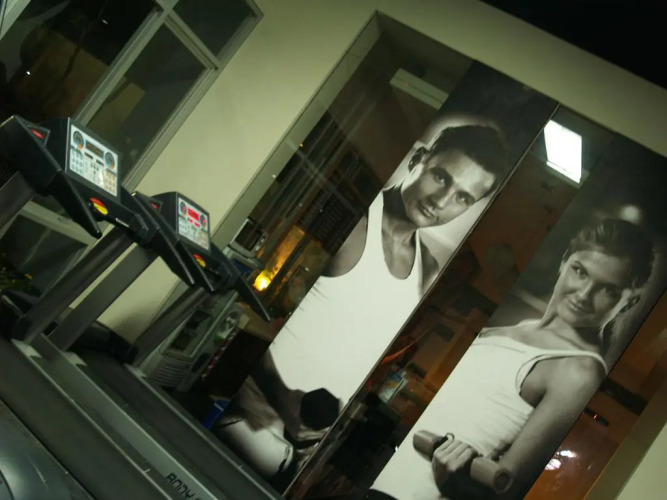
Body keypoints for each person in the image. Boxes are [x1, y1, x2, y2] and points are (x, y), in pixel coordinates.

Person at [214, 123, 509, 487]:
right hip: (252, 414)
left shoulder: (427, 270)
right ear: (419, 159)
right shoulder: (356, 227)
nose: (442, 201)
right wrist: (282, 396)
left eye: (463, 197)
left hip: (310, 444)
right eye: (441, 177)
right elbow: (265, 315)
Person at [370, 218, 654, 499]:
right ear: (564, 261)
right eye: (580, 271)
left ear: (628, 302)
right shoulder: (514, 328)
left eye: (608, 290)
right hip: (380, 482)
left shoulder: (578, 370)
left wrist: (453, 483)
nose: (584, 294)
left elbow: (505, 489)